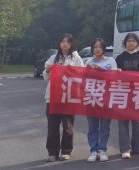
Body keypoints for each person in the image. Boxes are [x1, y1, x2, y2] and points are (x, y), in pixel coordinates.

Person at [43, 33, 84, 162]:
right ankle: (52, 152)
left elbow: (82, 75)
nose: (65, 44)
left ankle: (66, 151)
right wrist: (48, 70)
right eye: (63, 41)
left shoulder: (76, 58)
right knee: (52, 126)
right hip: (53, 97)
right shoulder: (53, 58)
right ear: (60, 44)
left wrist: (72, 70)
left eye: (68, 42)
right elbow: (46, 77)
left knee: (68, 126)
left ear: (71, 44)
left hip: (68, 98)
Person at [115, 33, 139, 159]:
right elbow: (113, 75)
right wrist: (117, 72)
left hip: (137, 93)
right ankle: (125, 148)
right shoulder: (120, 58)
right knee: (123, 123)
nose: (131, 43)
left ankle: (138, 146)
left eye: (133, 41)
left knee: (137, 122)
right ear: (125, 43)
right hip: (122, 93)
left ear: (137, 43)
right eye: (128, 41)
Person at [85, 38, 117, 162]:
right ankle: (93, 150)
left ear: (104, 48)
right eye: (95, 47)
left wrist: (103, 70)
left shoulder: (111, 61)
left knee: (104, 126)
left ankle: (102, 149)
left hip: (106, 98)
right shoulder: (89, 62)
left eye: (100, 47)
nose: (97, 49)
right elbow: (83, 79)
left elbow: (115, 77)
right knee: (92, 127)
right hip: (92, 98)